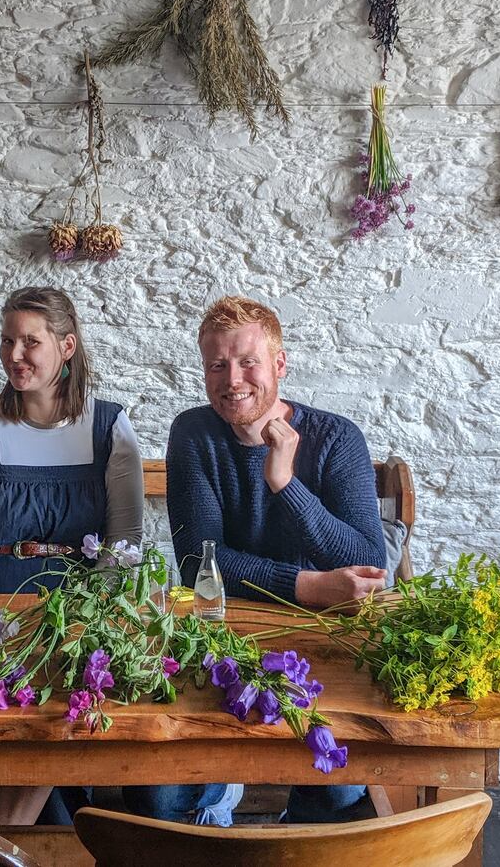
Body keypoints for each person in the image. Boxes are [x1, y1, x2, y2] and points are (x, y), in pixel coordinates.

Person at [131, 295, 388, 826]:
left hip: (322, 640)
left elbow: (366, 561)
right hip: (223, 636)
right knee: (160, 794)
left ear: (279, 364)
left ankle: (296, 836)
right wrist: (309, 585)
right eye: (217, 365)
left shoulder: (336, 438)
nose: (233, 380)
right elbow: (198, 564)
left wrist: (284, 482)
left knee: (338, 789)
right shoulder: (194, 433)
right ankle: (212, 816)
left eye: (248, 362)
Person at [0, 285, 144, 824]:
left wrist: (92, 625)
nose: (14, 355)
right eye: (7, 341)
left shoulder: (108, 427)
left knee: (53, 725)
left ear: (67, 346)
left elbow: (124, 543)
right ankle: (37, 837)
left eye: (30, 342)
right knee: (36, 739)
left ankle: (0, 839)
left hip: (76, 616)